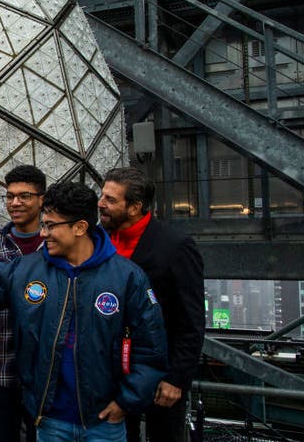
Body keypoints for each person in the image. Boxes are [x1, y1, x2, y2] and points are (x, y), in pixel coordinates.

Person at [0, 182, 168, 442]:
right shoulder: (28, 270)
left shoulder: (126, 277)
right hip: (50, 420)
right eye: (44, 224)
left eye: (51, 226)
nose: (43, 234)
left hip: (104, 423)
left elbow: (151, 348)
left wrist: (126, 401)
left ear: (80, 227)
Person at [98, 168, 205, 442]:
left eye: (110, 199)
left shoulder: (175, 246)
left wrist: (176, 379)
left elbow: (191, 320)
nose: (101, 203)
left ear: (134, 207)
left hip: (159, 375)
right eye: (102, 195)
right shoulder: (99, 239)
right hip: (111, 373)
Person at [0, 165, 46, 442]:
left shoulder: (55, 245)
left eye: (24, 196)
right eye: (10, 196)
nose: (15, 203)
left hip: (43, 372)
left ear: (42, 199)